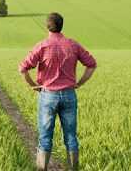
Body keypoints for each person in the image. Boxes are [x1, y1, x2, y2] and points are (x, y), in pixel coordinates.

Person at [19, 12, 97, 171]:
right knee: (71, 137)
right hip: (69, 94)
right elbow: (92, 64)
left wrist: (33, 85)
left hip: (48, 95)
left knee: (45, 138)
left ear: (47, 26)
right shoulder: (73, 45)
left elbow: (23, 68)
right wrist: (79, 83)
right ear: (62, 25)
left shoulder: (42, 46)